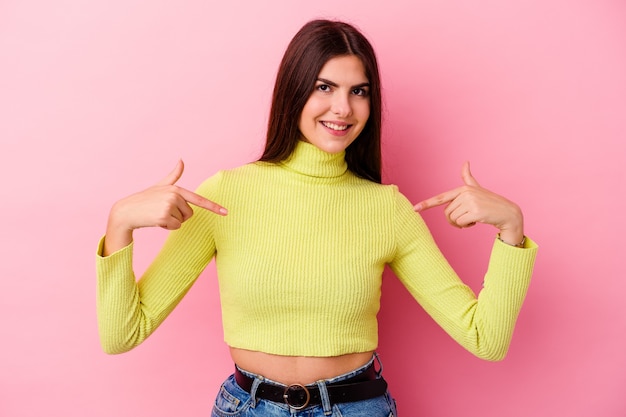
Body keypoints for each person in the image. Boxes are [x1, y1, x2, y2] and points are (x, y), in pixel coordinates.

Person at [96, 19, 537, 417]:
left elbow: (486, 338)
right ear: (295, 90)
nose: (343, 108)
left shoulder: (387, 209)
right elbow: (122, 335)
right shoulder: (225, 195)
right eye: (325, 87)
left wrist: (511, 232)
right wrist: (119, 225)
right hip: (248, 408)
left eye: (358, 91)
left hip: (356, 408)